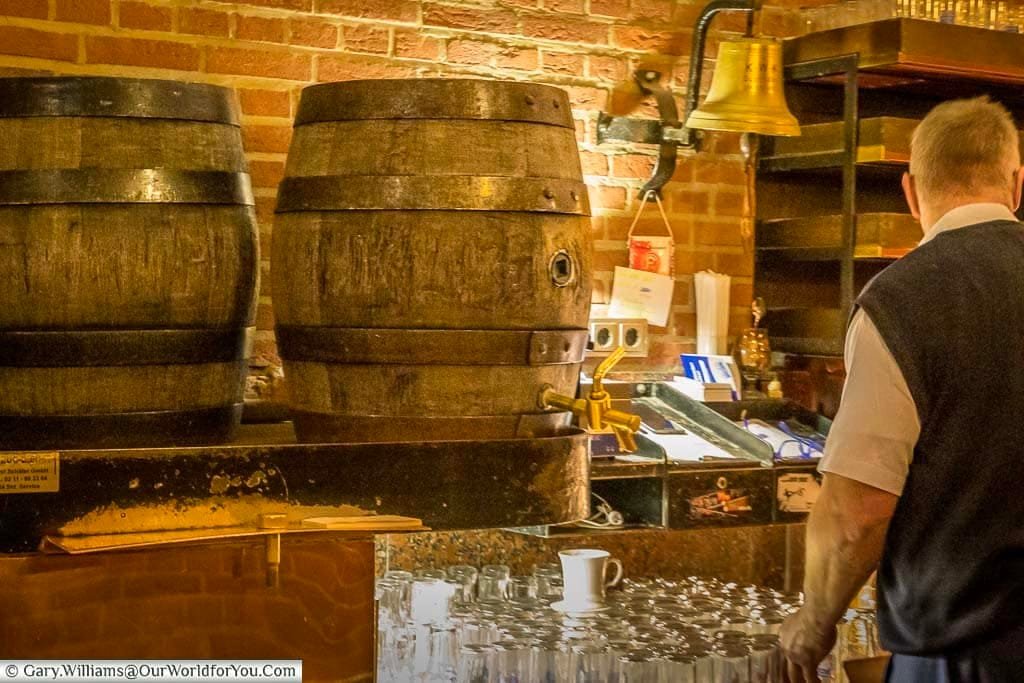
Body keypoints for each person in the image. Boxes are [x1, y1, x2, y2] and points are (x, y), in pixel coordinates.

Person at [779, 96, 1024, 682]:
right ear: (1017, 183)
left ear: (910, 191)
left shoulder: (903, 304)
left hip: (963, 656)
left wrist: (813, 625)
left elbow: (857, 512)